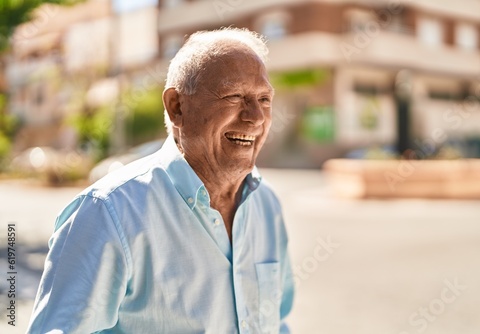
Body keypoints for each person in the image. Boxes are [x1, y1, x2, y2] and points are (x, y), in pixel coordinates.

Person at [27, 27, 294, 333]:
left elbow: (278, 320)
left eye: (264, 99)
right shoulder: (107, 213)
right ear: (177, 107)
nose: (256, 117)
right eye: (234, 96)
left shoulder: (267, 205)